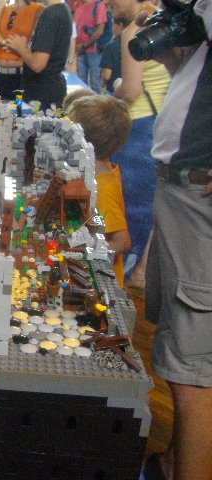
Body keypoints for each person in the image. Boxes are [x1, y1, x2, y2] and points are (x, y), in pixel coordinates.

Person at [142, 0, 212, 478]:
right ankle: (172, 462)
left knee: (193, 376)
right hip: (180, 192)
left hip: (196, 198)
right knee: (179, 351)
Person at [103, 0, 171, 285]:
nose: (107, 2)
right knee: (146, 210)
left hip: (136, 132)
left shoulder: (135, 30)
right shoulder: (166, 23)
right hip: (158, 126)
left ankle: (121, 278)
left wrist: (117, 84)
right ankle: (137, 272)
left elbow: (131, 91)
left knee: (126, 211)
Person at [66, 94, 131, 287]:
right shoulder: (101, 170)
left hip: (99, 280)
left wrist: (86, 255)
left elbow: (122, 242)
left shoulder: (101, 188)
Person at [3, 0, 73, 112]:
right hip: (48, 92)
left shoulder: (51, 14)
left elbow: (37, 65)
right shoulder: (62, 9)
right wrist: (20, 50)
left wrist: (21, 48)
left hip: (42, 96)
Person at [0, 0, 44, 100]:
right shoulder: (4, 8)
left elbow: (34, 44)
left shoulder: (38, 10)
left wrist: (0, 37)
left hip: (20, 75)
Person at [75, 0, 109, 92]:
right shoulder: (77, 4)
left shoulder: (98, 5)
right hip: (80, 49)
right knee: (80, 82)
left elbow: (100, 30)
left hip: (94, 50)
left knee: (95, 82)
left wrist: (84, 45)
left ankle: (96, 101)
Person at [99, 16, 130, 94]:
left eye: (113, 25)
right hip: (129, 90)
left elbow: (106, 75)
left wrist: (103, 80)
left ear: (120, 25)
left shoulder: (110, 47)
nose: (112, 29)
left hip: (113, 91)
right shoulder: (135, 46)